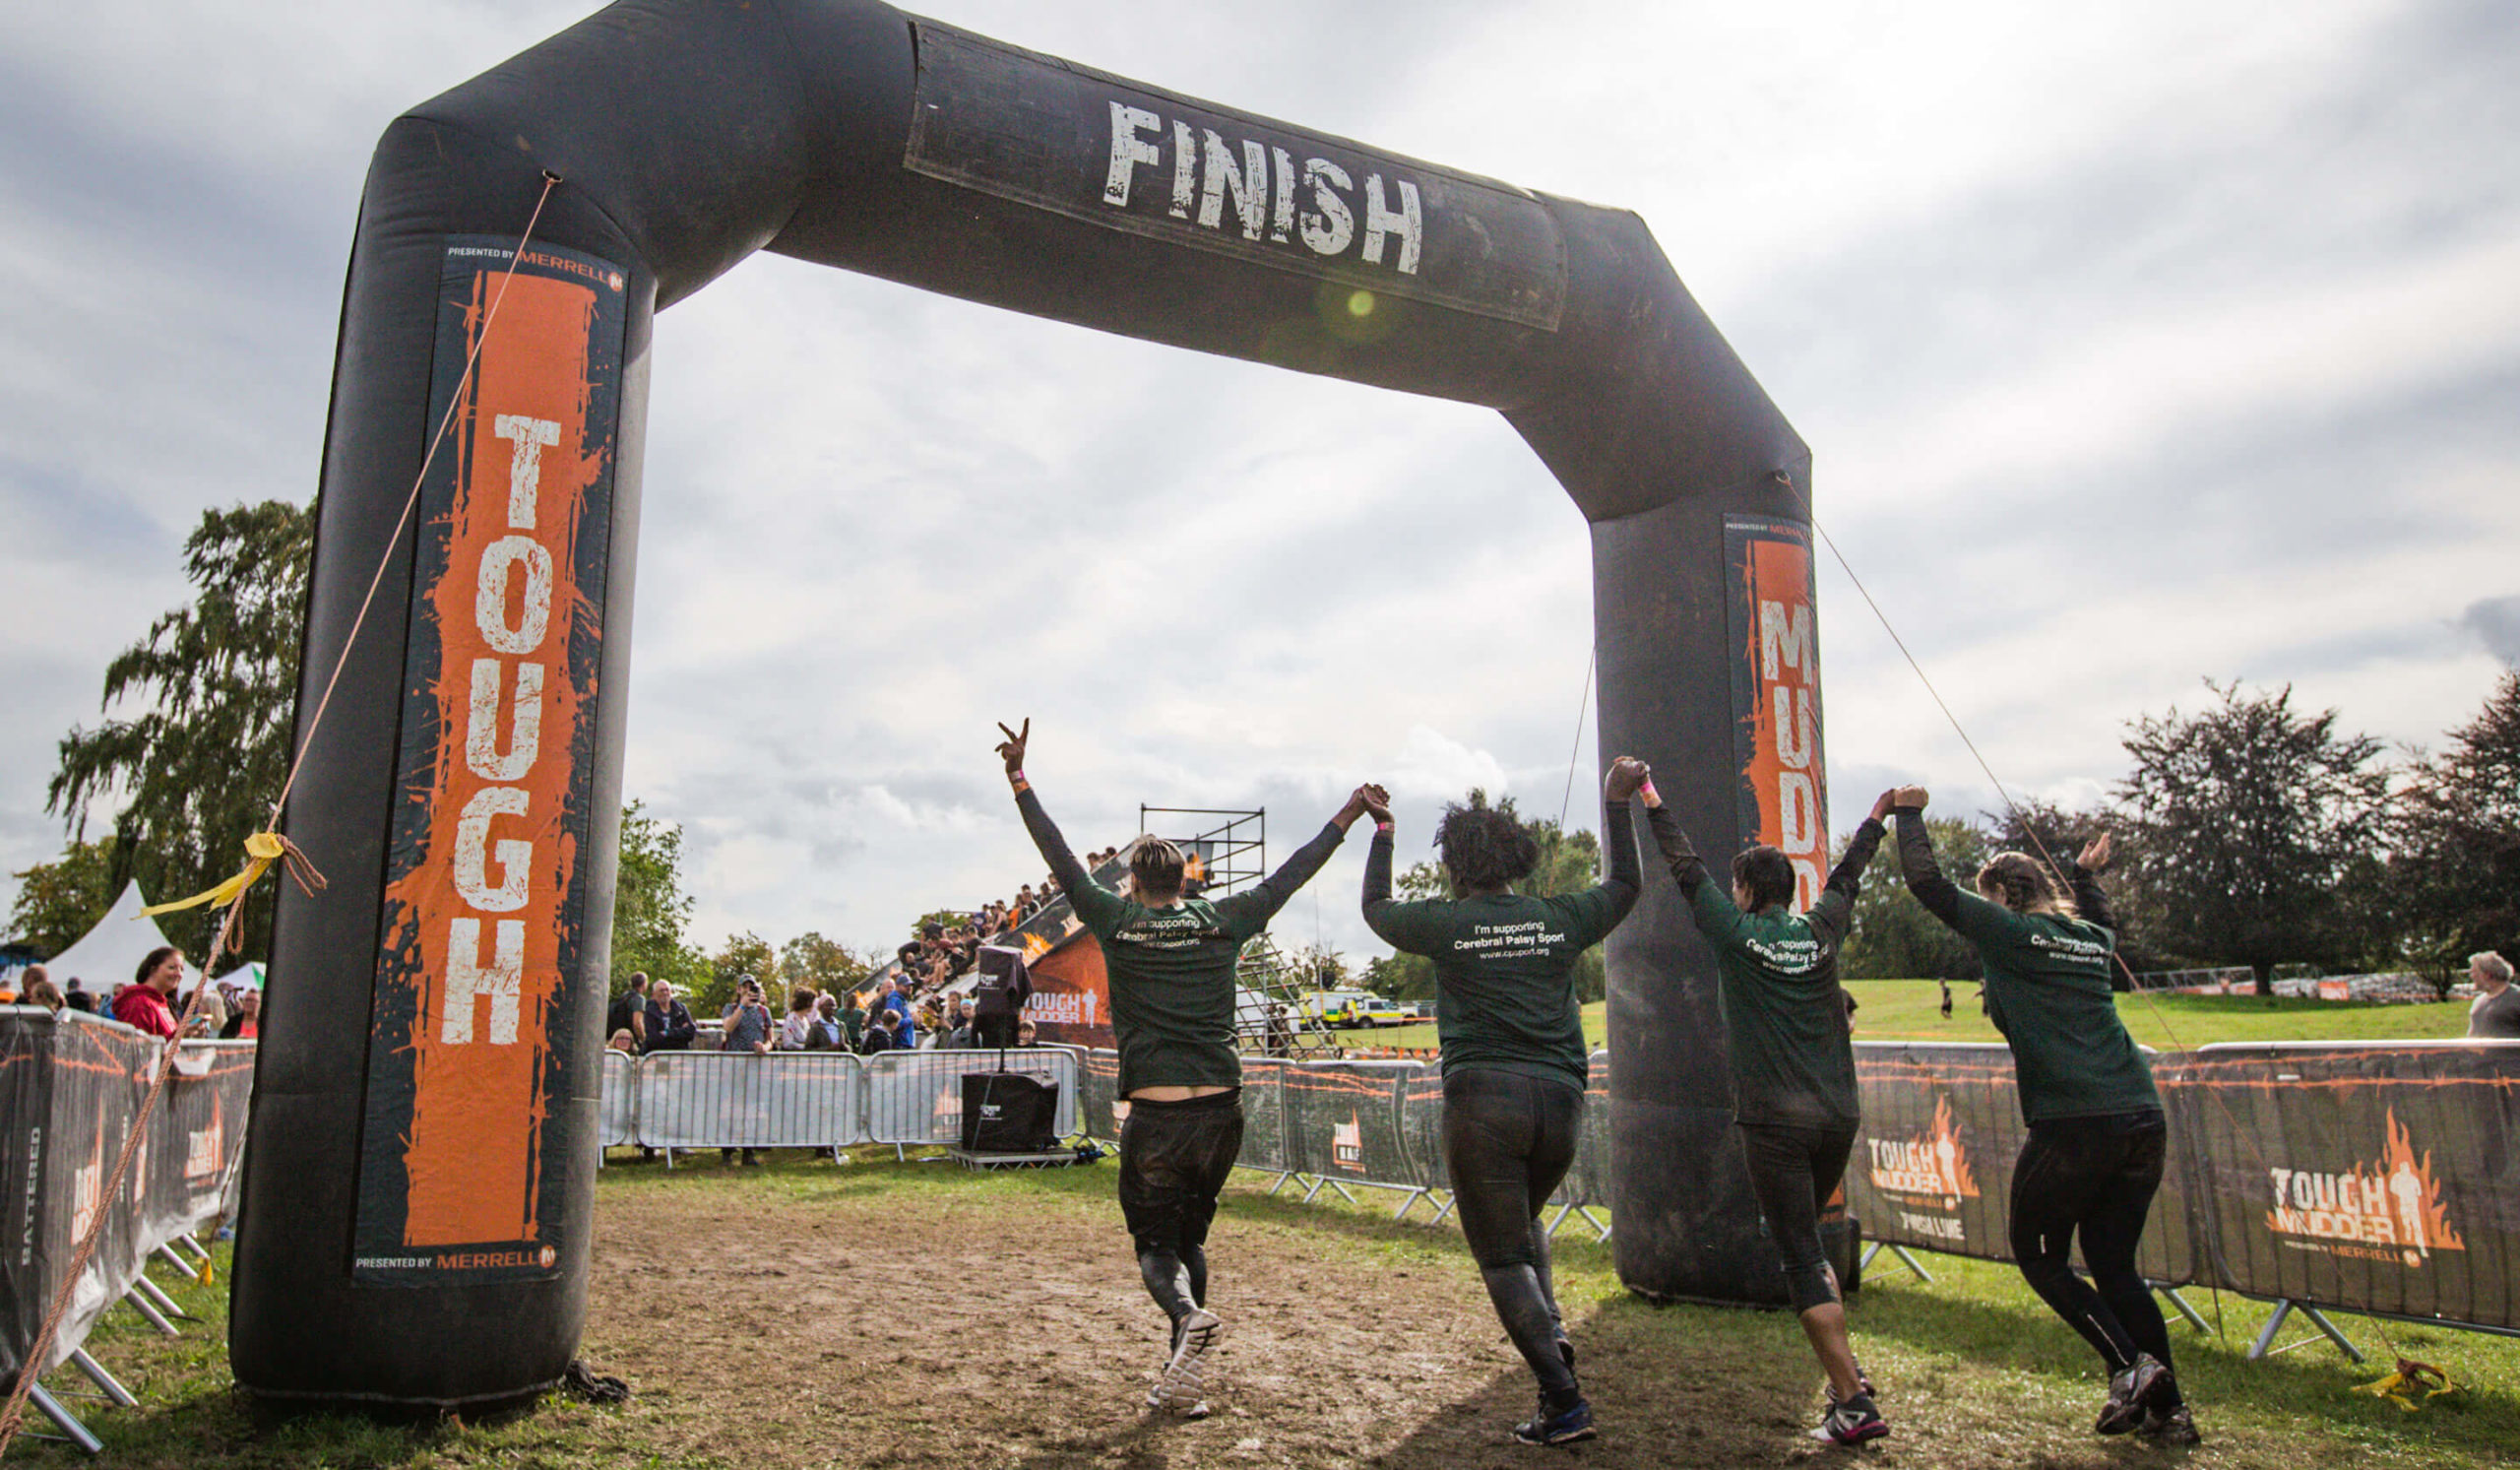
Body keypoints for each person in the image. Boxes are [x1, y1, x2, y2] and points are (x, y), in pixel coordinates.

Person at [996, 716, 1370, 1417]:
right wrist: (1347, 813)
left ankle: (1185, 1321)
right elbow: (1293, 871)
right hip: (1222, 1109)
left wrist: (1020, 777)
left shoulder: (1115, 919)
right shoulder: (1224, 918)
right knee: (1190, 1235)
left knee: (1155, 1245)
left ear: (1135, 881)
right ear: (1186, 879)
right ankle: (1183, 1368)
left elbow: (1062, 857)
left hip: (1160, 1113)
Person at [1892, 790, 2197, 1445]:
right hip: (2141, 1116)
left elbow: (1925, 882)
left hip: (2075, 1122)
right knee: (2114, 1266)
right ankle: (2169, 1412)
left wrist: (1909, 813)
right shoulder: (2089, 937)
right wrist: (2086, 876)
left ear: (2002, 895)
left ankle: (2131, 1367)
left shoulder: (2010, 929)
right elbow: (2100, 914)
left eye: (1989, 896)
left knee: (2039, 1255)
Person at [1359, 761, 1646, 1447]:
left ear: (1457, 866)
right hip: (1561, 1103)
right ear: (1517, 856)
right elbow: (1627, 884)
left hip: (1484, 1101)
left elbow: (1375, 911)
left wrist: (1384, 834)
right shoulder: (1561, 917)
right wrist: (1614, 803)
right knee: (1524, 1226)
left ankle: (1562, 1396)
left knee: (1499, 1253)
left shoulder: (1447, 924)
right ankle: (1552, 1332)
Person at [1639, 772, 1894, 1445]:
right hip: (1838, 1113)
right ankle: (1851, 1375)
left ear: (1747, 892)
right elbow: (1849, 876)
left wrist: (1652, 796)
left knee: (1799, 1253)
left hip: (1776, 1122)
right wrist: (1877, 817)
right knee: (1807, 1241)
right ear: (1791, 891)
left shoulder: (1736, 932)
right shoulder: (1819, 932)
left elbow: (1686, 868)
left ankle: (1850, 1400)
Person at [113, 947, 188, 1039]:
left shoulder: (161, 1003)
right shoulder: (139, 1003)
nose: (179, 974)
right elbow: (139, 1047)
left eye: (181, 969)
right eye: (172, 967)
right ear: (153, 970)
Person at [972, 946, 1034, 1050]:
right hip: (990, 1049)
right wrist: (977, 1051)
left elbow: (1015, 1031)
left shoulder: (1005, 1006)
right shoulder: (986, 1007)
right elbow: (974, 1031)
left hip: (1003, 1048)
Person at [2467, 951, 2520, 1038]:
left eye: (2473, 972)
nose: (2471, 976)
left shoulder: (2517, 997)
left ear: (2487, 974)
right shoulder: (2478, 1001)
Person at [643, 981, 697, 1054]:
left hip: (680, 1054)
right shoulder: (648, 1011)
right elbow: (653, 1039)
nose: (665, 993)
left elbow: (690, 1032)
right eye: (661, 990)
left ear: (671, 992)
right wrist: (680, 1034)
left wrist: (667, 1033)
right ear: (654, 994)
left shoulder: (681, 1009)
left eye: (667, 990)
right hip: (656, 1055)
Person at [608, 972, 650, 1053]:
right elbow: (637, 1023)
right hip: (629, 1040)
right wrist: (644, 1039)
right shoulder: (639, 999)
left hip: (617, 1037)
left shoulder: (624, 996)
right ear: (644, 984)